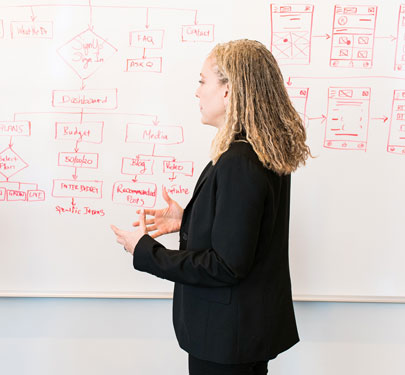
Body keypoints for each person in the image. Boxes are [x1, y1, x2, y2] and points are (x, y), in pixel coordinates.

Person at [110, 39, 311, 375]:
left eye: (203, 81)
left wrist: (145, 251)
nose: (197, 92)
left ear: (229, 92)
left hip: (226, 341)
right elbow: (246, 231)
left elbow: (226, 265)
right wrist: (187, 218)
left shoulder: (240, 161)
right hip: (236, 335)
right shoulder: (261, 152)